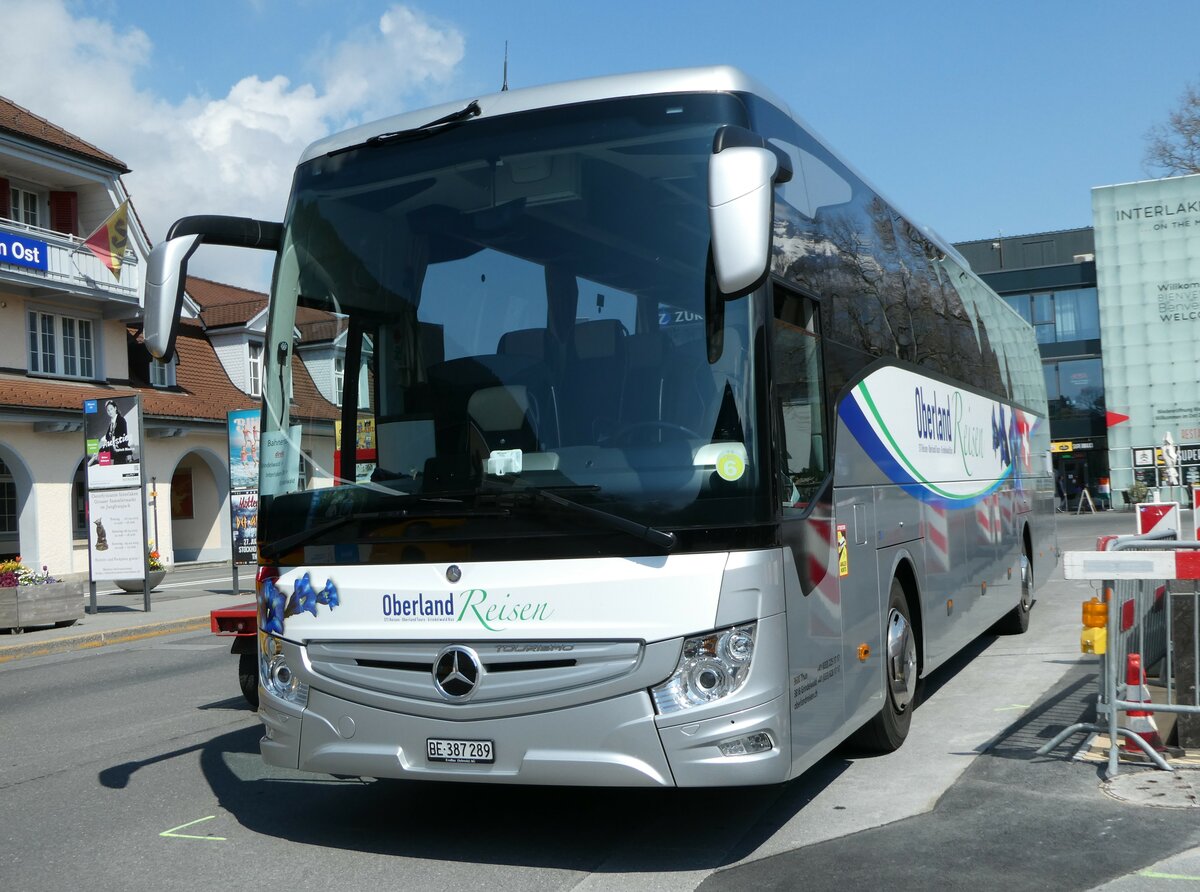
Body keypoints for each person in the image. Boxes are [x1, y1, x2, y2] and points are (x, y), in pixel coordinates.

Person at [90, 399, 133, 465]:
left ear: (115, 408)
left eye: (111, 409)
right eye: (108, 410)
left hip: (120, 454)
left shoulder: (121, 420)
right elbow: (107, 438)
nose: (110, 412)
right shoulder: (111, 423)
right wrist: (98, 450)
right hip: (114, 454)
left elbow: (123, 439)